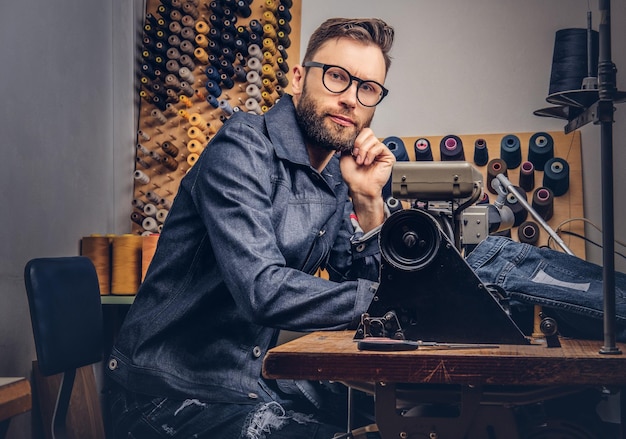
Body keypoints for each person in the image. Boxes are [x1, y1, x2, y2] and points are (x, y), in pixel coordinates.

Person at [107, 17, 396, 438]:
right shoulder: (242, 146)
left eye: (367, 88)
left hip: (247, 380)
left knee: (404, 412)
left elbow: (354, 286)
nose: (351, 99)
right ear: (298, 78)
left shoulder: (336, 176)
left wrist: (369, 202)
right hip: (164, 394)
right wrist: (389, 301)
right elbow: (262, 289)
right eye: (337, 77)